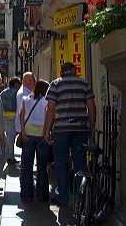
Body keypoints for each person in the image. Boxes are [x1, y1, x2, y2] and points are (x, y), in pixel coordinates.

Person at [43, 62, 96, 206]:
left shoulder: (55, 84)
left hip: (61, 129)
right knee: (80, 162)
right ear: (74, 71)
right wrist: (91, 125)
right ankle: (81, 197)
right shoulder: (84, 83)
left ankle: (63, 197)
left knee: (61, 163)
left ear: (62, 72)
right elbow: (91, 106)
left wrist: (46, 130)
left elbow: (51, 109)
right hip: (80, 128)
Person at [19, 80, 50, 203]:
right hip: (42, 134)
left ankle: (26, 194)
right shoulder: (47, 101)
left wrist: (23, 132)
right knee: (42, 166)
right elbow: (49, 116)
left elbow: (22, 116)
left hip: (28, 134)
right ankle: (42, 196)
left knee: (26, 165)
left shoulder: (26, 100)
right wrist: (47, 132)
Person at [0, 77, 22, 165]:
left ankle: (8, 156)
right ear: (16, 84)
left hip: (4, 117)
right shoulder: (17, 93)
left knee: (9, 138)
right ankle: (10, 158)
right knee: (11, 139)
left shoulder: (3, 92)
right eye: (19, 83)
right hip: (13, 117)